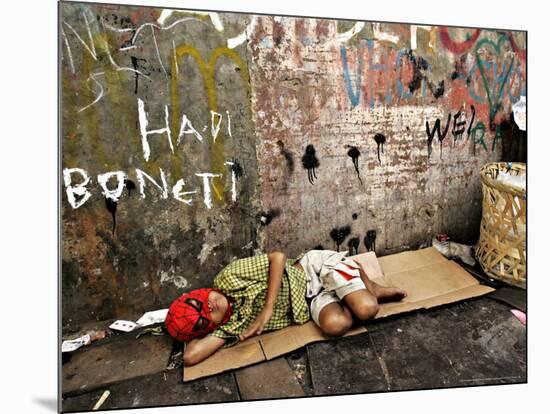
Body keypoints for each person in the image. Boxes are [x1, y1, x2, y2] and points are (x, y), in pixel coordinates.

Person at [164, 249, 406, 367]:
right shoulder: (230, 325)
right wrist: (190, 330)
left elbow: (278, 257)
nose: (210, 306)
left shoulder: (227, 279)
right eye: (204, 319)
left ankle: (368, 284)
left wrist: (267, 308)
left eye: (198, 303)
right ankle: (354, 287)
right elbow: (190, 356)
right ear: (210, 327)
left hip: (313, 271)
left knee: (366, 310)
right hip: (313, 300)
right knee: (336, 325)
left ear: (195, 294)